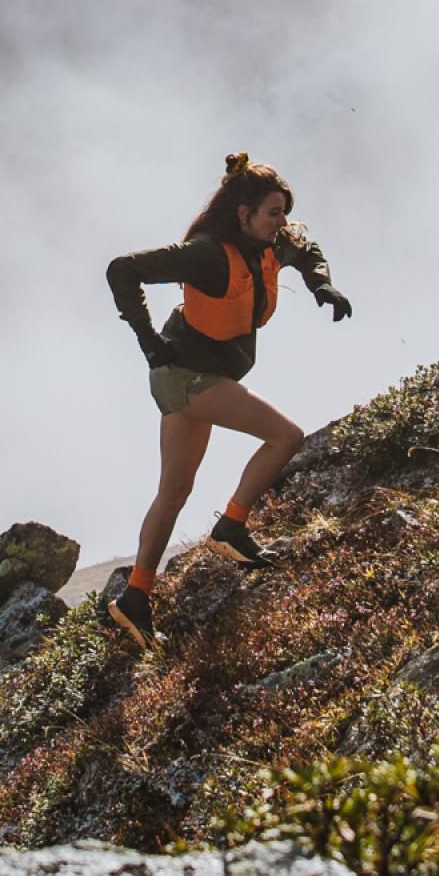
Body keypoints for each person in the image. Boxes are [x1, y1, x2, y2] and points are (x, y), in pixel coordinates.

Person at [97, 152, 351, 644]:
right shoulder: (208, 255)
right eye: (273, 213)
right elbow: (121, 269)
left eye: (284, 213)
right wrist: (148, 341)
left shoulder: (274, 243)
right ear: (243, 213)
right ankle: (230, 530)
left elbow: (309, 249)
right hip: (186, 377)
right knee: (286, 436)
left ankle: (134, 600)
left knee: (173, 492)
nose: (282, 224)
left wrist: (323, 286)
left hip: (200, 376)